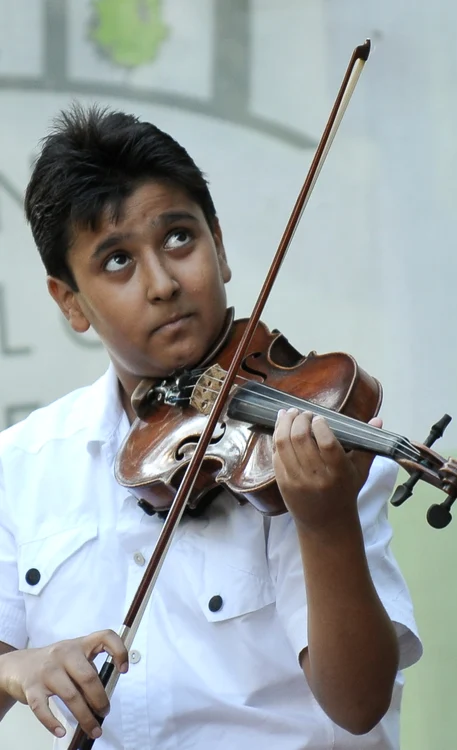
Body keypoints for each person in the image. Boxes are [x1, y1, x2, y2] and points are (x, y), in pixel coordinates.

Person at [0, 105, 421, 750]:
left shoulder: (311, 441)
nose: (164, 283)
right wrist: (13, 670)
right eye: (116, 261)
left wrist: (323, 520)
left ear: (219, 248)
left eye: (178, 238)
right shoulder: (23, 465)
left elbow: (359, 704)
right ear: (70, 303)